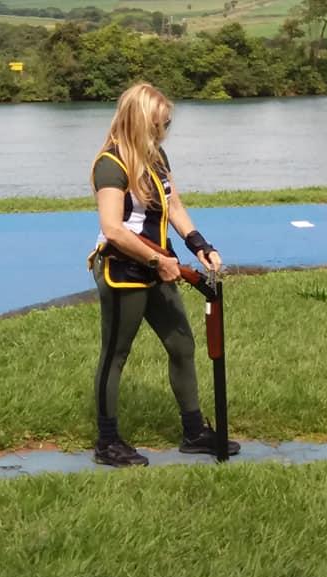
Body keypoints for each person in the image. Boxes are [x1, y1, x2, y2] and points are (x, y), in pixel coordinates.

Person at [87, 82, 241, 468]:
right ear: (140, 120)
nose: (165, 130)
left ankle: (194, 432)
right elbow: (113, 229)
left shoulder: (155, 156)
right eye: (160, 123)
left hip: (158, 265)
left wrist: (199, 244)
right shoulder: (111, 163)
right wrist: (158, 262)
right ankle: (107, 442)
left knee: (182, 345)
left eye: (167, 123)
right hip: (123, 269)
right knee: (116, 354)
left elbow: (173, 204)